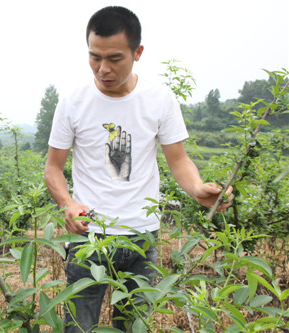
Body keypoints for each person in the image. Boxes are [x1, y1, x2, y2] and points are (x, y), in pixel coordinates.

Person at [44, 6, 233, 332]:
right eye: (94, 57)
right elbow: (53, 168)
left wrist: (198, 188)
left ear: (138, 52)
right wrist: (68, 204)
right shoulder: (73, 100)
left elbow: (178, 160)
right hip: (89, 238)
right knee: (78, 327)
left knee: (134, 326)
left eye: (114, 58)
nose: (102, 69)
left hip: (142, 237)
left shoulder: (159, 99)